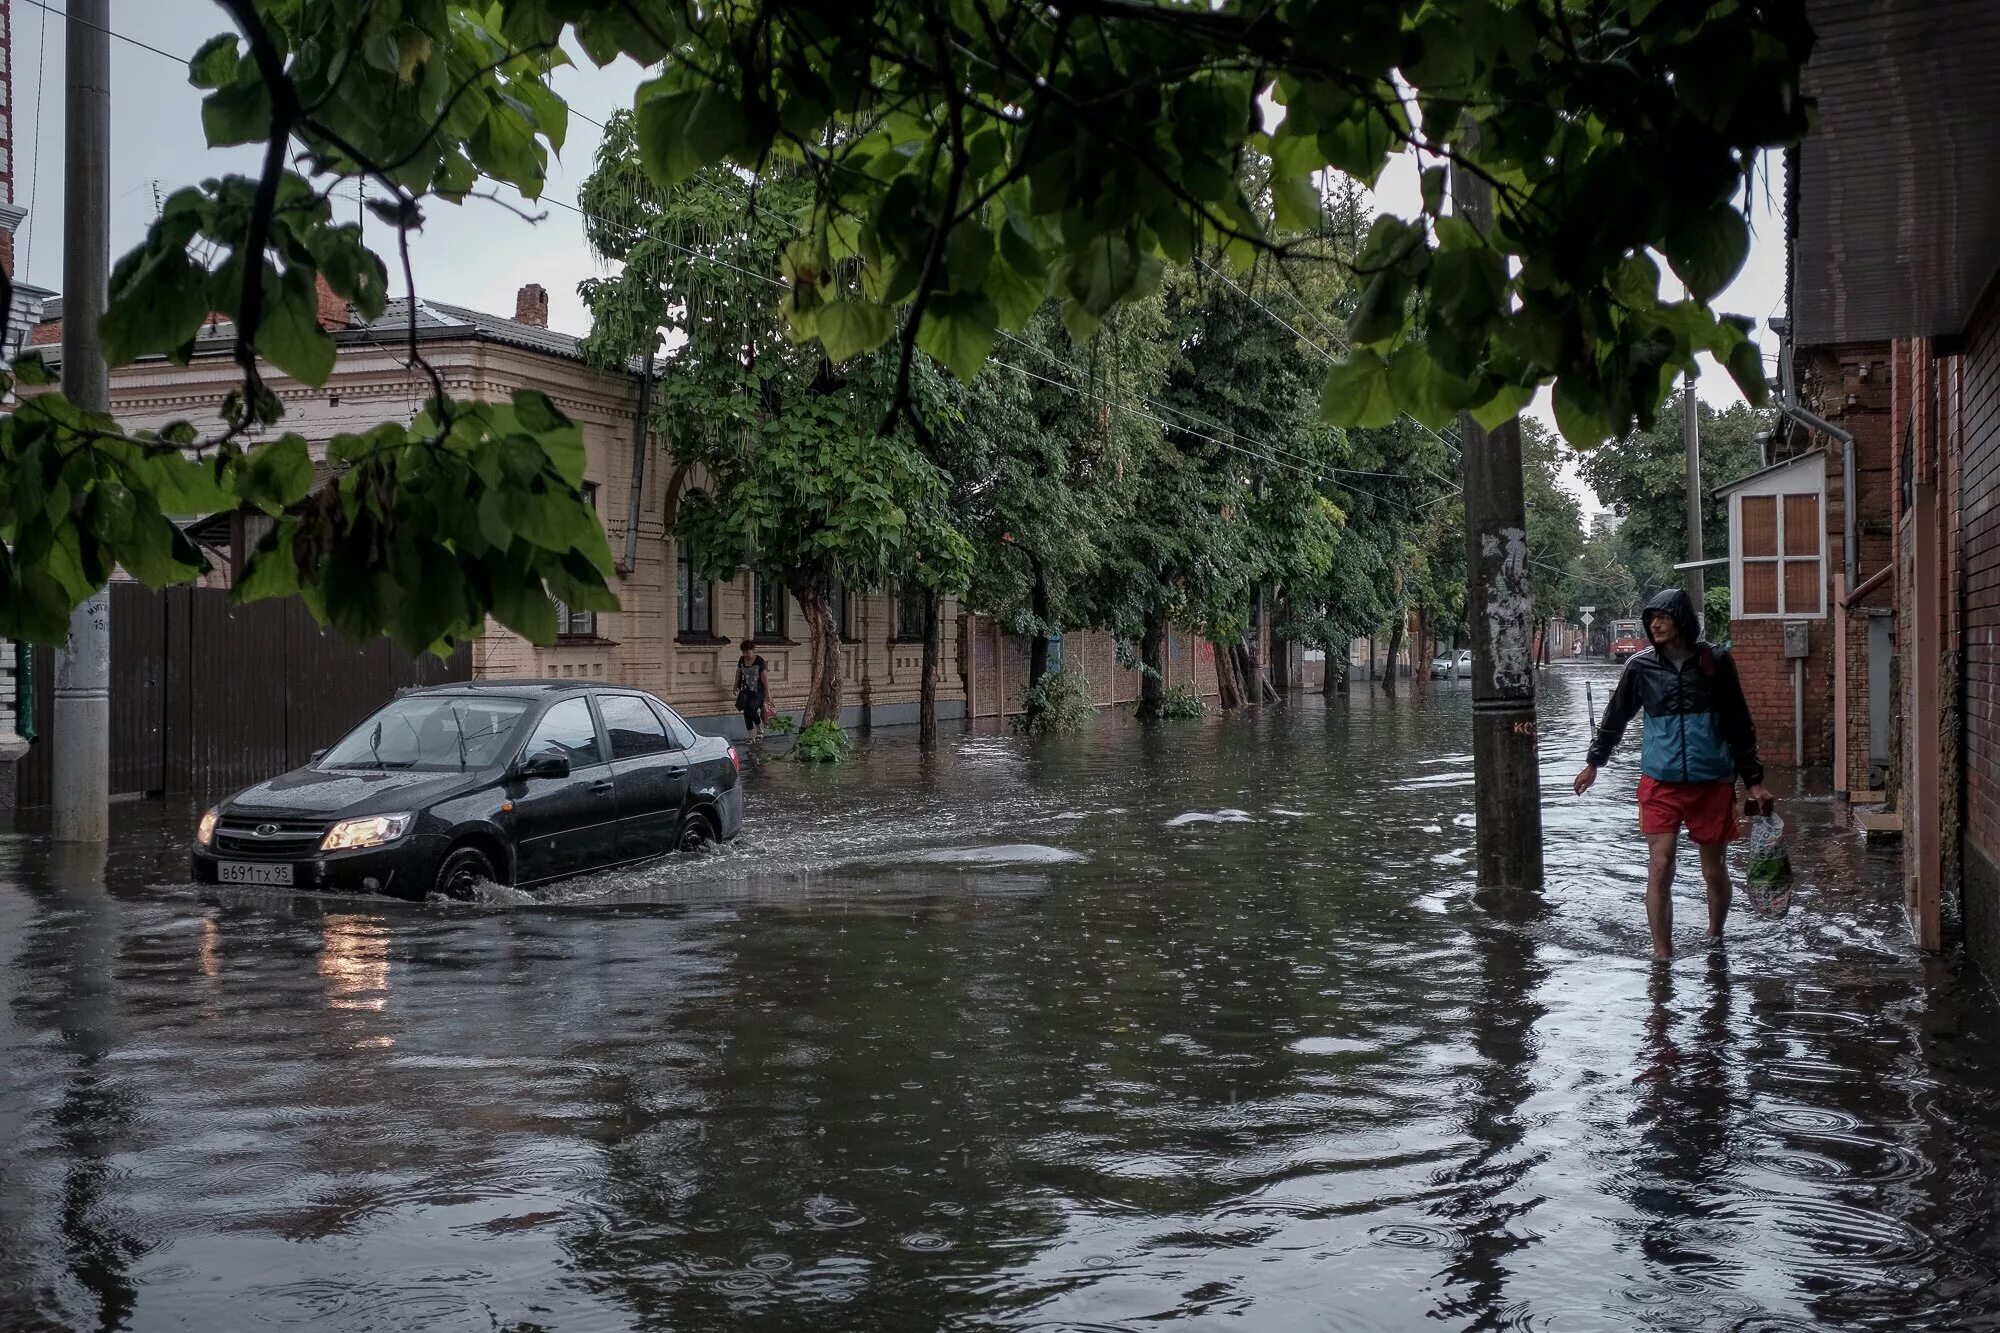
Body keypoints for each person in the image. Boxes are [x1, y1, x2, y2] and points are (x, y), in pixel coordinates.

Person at [1573, 587, 1775, 959]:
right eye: (1651, 619)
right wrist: (1594, 763)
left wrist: (1754, 781)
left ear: (1683, 620)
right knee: (1660, 863)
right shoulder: (1640, 667)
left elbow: (1738, 722)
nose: (1656, 624)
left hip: (1712, 782)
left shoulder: (1715, 662)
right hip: (1660, 782)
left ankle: (1715, 936)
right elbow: (1616, 716)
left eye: (1663, 617)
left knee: (1713, 868)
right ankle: (1662, 955)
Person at [735, 640, 770, 740]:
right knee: (746, 712)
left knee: (751, 710)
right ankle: (751, 737)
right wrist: (735, 685)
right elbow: (738, 672)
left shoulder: (759, 660)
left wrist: (768, 693)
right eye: (743, 652)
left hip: (758, 691)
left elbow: (764, 678)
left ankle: (759, 728)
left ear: (753, 650)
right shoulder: (742, 659)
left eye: (747, 652)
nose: (745, 655)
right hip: (745, 690)